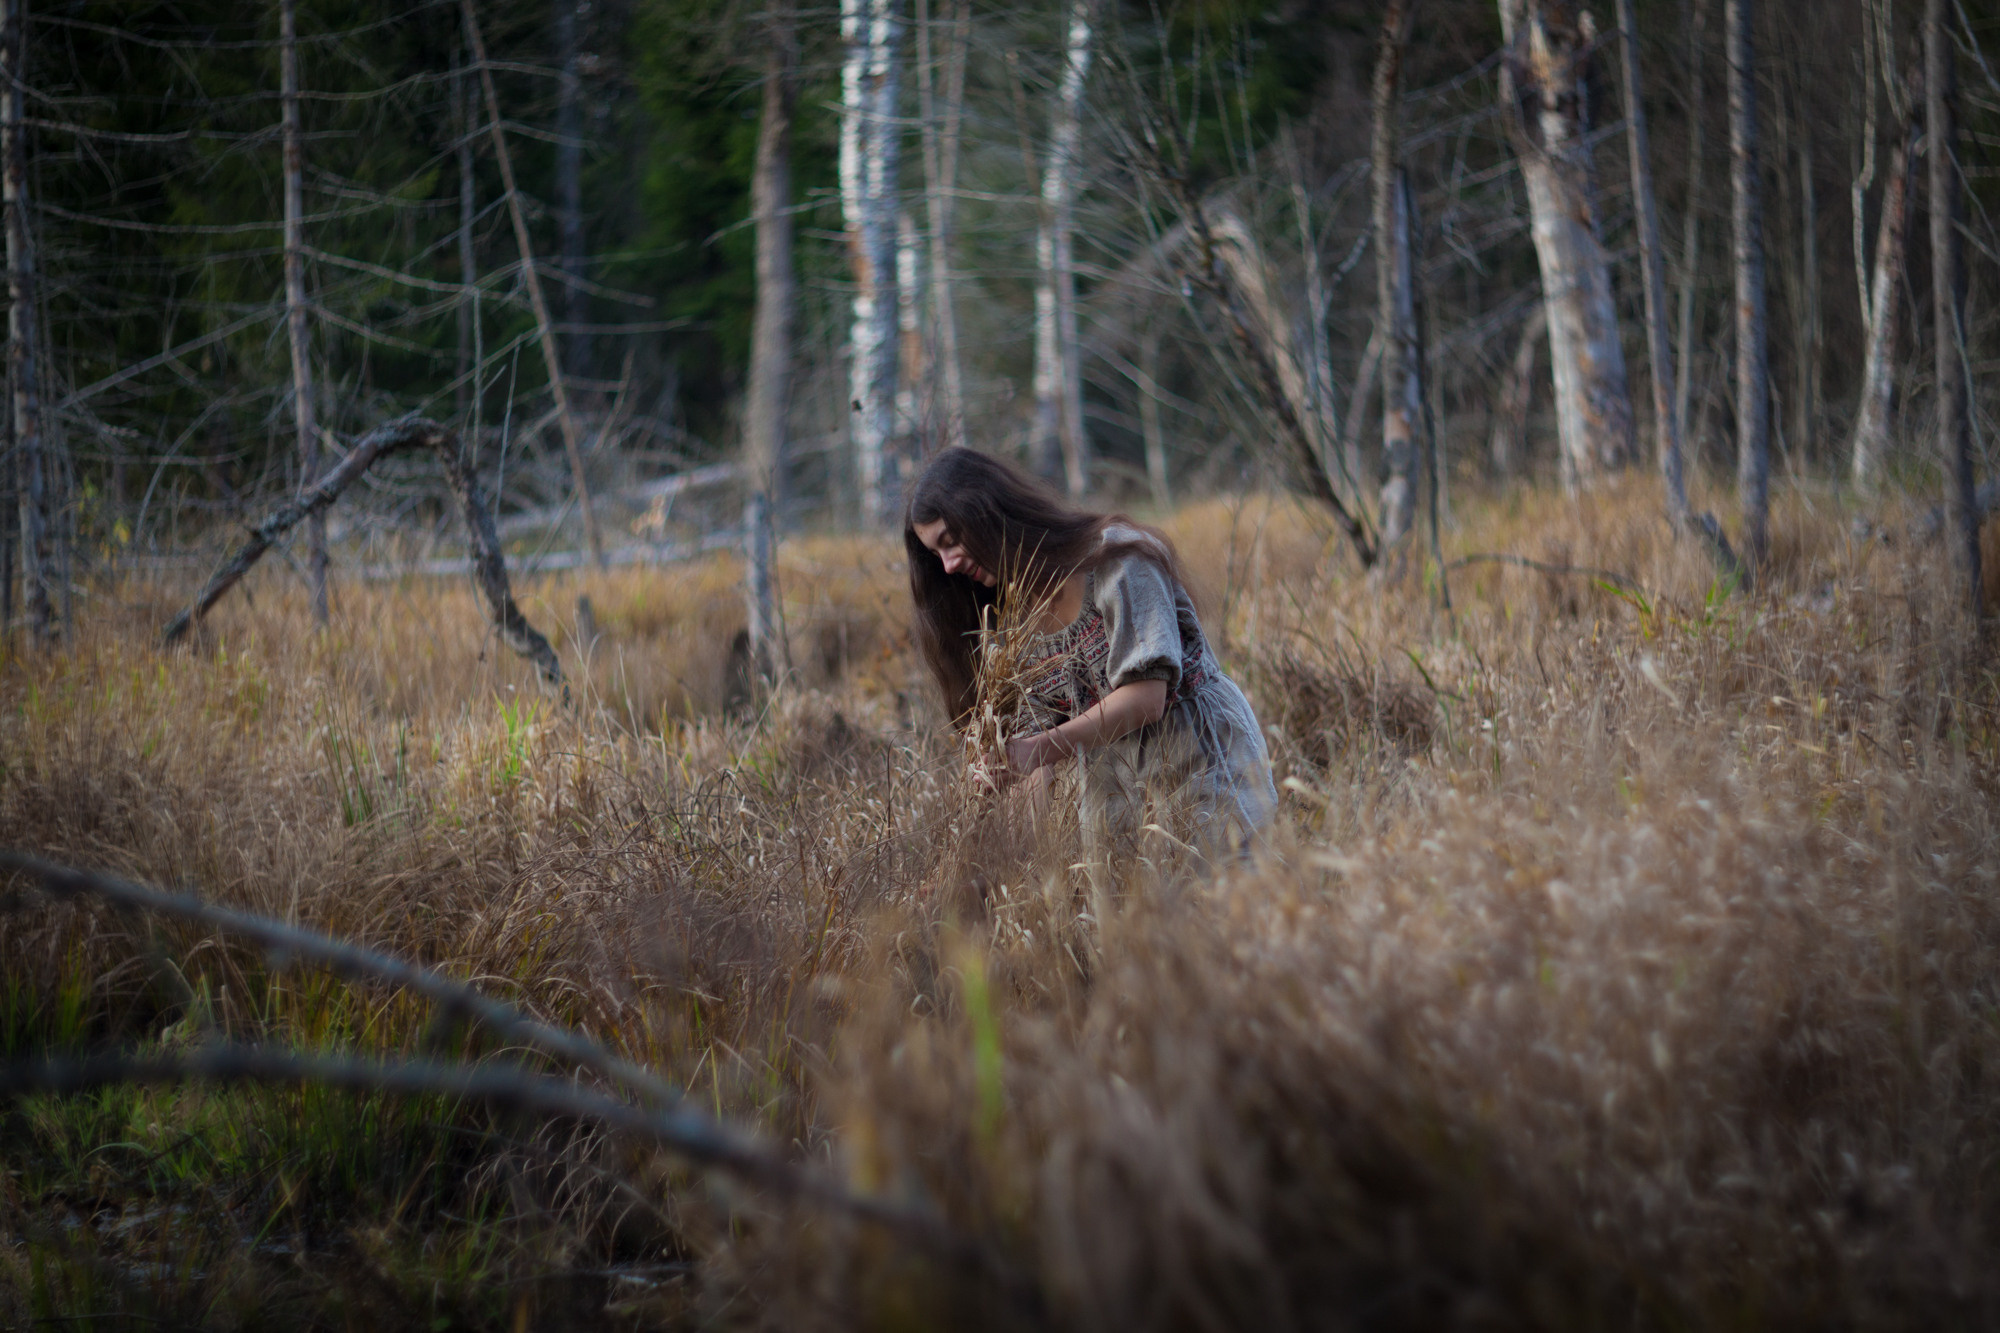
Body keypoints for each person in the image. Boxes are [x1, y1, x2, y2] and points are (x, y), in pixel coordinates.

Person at [905, 447, 1277, 901]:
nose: (948, 565)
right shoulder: (1012, 621)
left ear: (986, 510)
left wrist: (1037, 749)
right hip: (1117, 799)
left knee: (1229, 926)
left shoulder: (1117, 561)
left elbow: (1145, 698)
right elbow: (1034, 769)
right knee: (1152, 950)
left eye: (949, 541)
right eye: (935, 554)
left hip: (1202, 769)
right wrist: (986, 871)